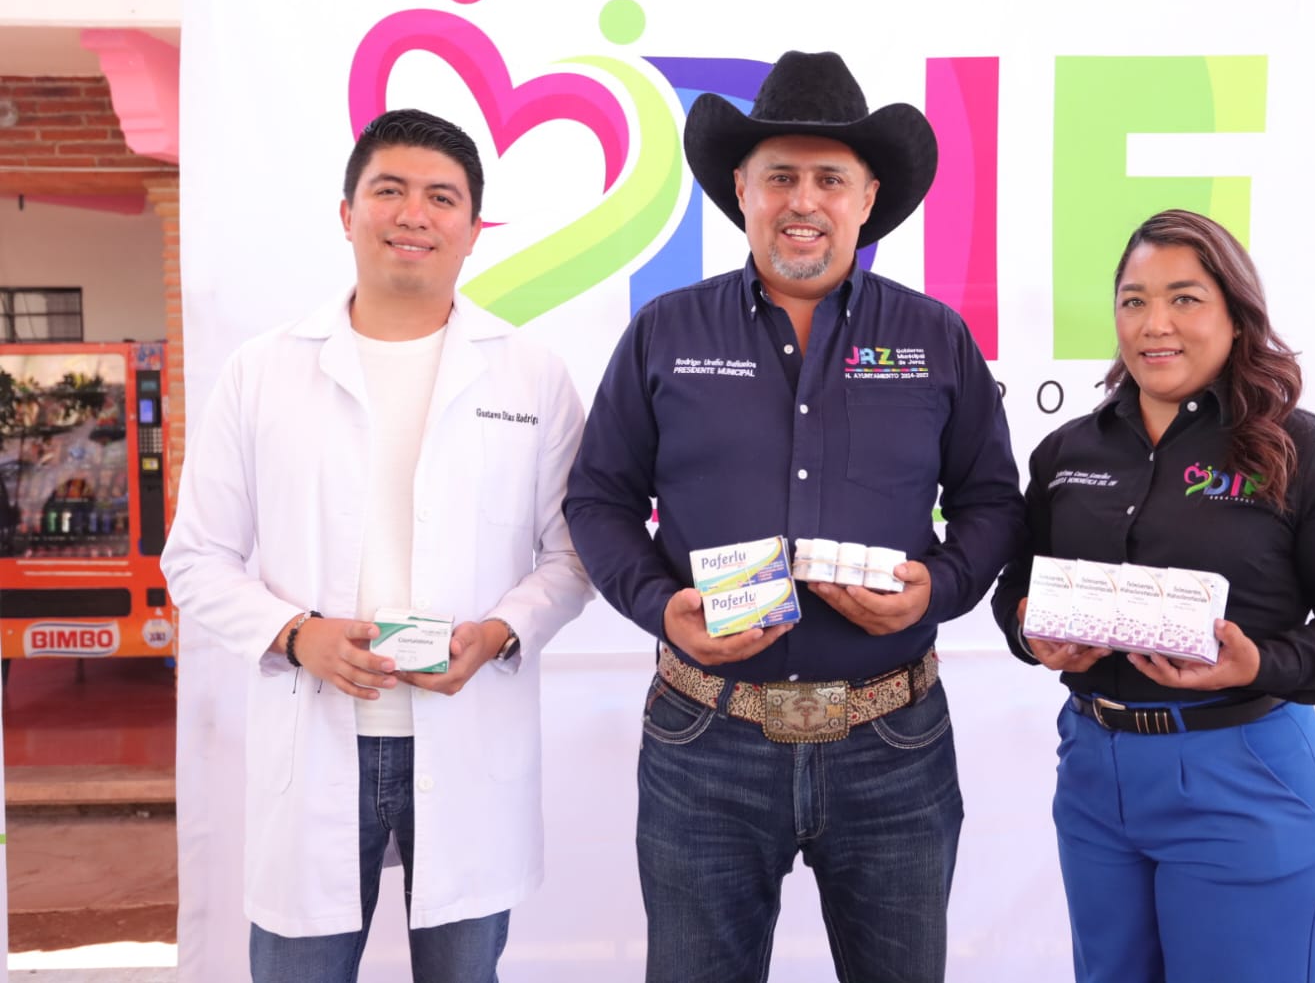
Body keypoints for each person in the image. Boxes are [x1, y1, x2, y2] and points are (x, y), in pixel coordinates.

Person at [564, 50, 1024, 983]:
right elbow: (599, 498)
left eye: (829, 178)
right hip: (705, 742)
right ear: (740, 190)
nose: (802, 201)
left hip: (892, 744)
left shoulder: (933, 336)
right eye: (779, 176)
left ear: (867, 197)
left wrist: (936, 589)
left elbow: (989, 500)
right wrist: (661, 608)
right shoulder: (665, 332)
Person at [161, 108, 592, 982]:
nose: (413, 214)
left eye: (442, 197)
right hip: (316, 736)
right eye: (389, 190)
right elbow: (195, 557)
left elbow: (573, 554)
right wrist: (297, 635)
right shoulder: (263, 371)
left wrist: (498, 633)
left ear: (474, 229)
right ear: (346, 212)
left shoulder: (532, 375)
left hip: (465, 736)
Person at [991, 209, 1315, 983]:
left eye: (1184, 299)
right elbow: (1017, 587)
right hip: (1093, 771)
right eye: (1133, 301)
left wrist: (1261, 663)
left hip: (1242, 772)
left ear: (1235, 313)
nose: (1153, 323)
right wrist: (1031, 631)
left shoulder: (1302, 448)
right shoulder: (1067, 451)